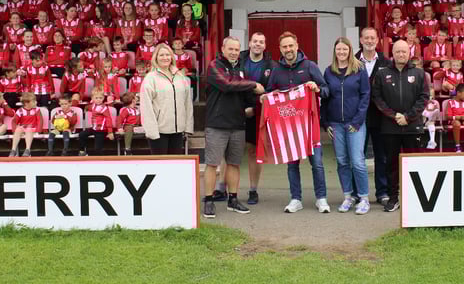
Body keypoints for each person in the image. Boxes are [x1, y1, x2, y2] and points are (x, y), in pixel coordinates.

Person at [266, 31, 330, 214]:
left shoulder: (310, 66)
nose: (288, 49)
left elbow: (326, 90)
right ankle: (296, 199)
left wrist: (316, 88)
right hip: (288, 128)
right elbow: (271, 92)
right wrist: (267, 97)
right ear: (280, 49)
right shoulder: (276, 70)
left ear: (297, 45)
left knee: (317, 163)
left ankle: (321, 198)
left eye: (290, 46)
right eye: (284, 47)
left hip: (310, 125)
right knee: (292, 165)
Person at [203, 36, 264, 219]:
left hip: (238, 124)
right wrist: (254, 85)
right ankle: (208, 200)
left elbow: (246, 95)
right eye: (230, 49)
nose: (234, 53)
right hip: (217, 124)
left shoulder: (241, 69)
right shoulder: (214, 66)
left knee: (234, 164)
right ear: (223, 48)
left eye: (237, 50)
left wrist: (260, 101)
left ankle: (233, 199)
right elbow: (227, 85)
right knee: (213, 164)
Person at [371, 40, 429, 212]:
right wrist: (393, 115)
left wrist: (408, 117)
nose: (401, 54)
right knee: (391, 165)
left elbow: (424, 98)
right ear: (393, 54)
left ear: (409, 53)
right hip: (390, 127)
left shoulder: (419, 74)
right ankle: (393, 198)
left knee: (414, 164)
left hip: (413, 127)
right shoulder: (382, 74)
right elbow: (377, 98)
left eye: (404, 51)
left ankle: (415, 199)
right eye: (398, 52)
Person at [322, 37, 371, 215]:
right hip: (336, 124)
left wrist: (357, 121)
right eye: (338, 50)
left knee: (357, 161)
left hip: (355, 124)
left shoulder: (359, 69)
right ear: (334, 51)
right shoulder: (329, 72)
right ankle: (348, 196)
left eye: (344, 49)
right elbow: (325, 99)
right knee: (342, 161)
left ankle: (364, 198)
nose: (341, 53)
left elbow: (365, 96)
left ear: (350, 50)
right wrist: (325, 122)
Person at [355, 27, 392, 205]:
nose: (369, 41)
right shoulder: (352, 61)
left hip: (380, 116)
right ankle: (356, 193)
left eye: (373, 38)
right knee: (357, 156)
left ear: (377, 41)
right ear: (361, 40)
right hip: (358, 117)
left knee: (381, 156)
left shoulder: (386, 62)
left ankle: (382, 192)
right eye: (366, 38)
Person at [140, 43, 193, 154]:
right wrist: (152, 131)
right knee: (160, 168)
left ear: (171, 57)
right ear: (156, 58)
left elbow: (187, 103)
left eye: (167, 55)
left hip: (178, 131)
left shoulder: (180, 77)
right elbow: (146, 107)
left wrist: (188, 126)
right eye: (161, 55)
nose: (165, 58)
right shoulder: (150, 78)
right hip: (159, 132)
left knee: (174, 166)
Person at [10, 92, 44, 157]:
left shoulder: (36, 110)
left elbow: (40, 120)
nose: (36, 102)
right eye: (33, 101)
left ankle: (27, 149)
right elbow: (14, 121)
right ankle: (13, 150)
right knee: (18, 129)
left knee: (29, 129)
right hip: (23, 128)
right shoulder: (20, 111)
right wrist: (14, 129)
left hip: (33, 128)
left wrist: (38, 130)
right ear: (26, 103)